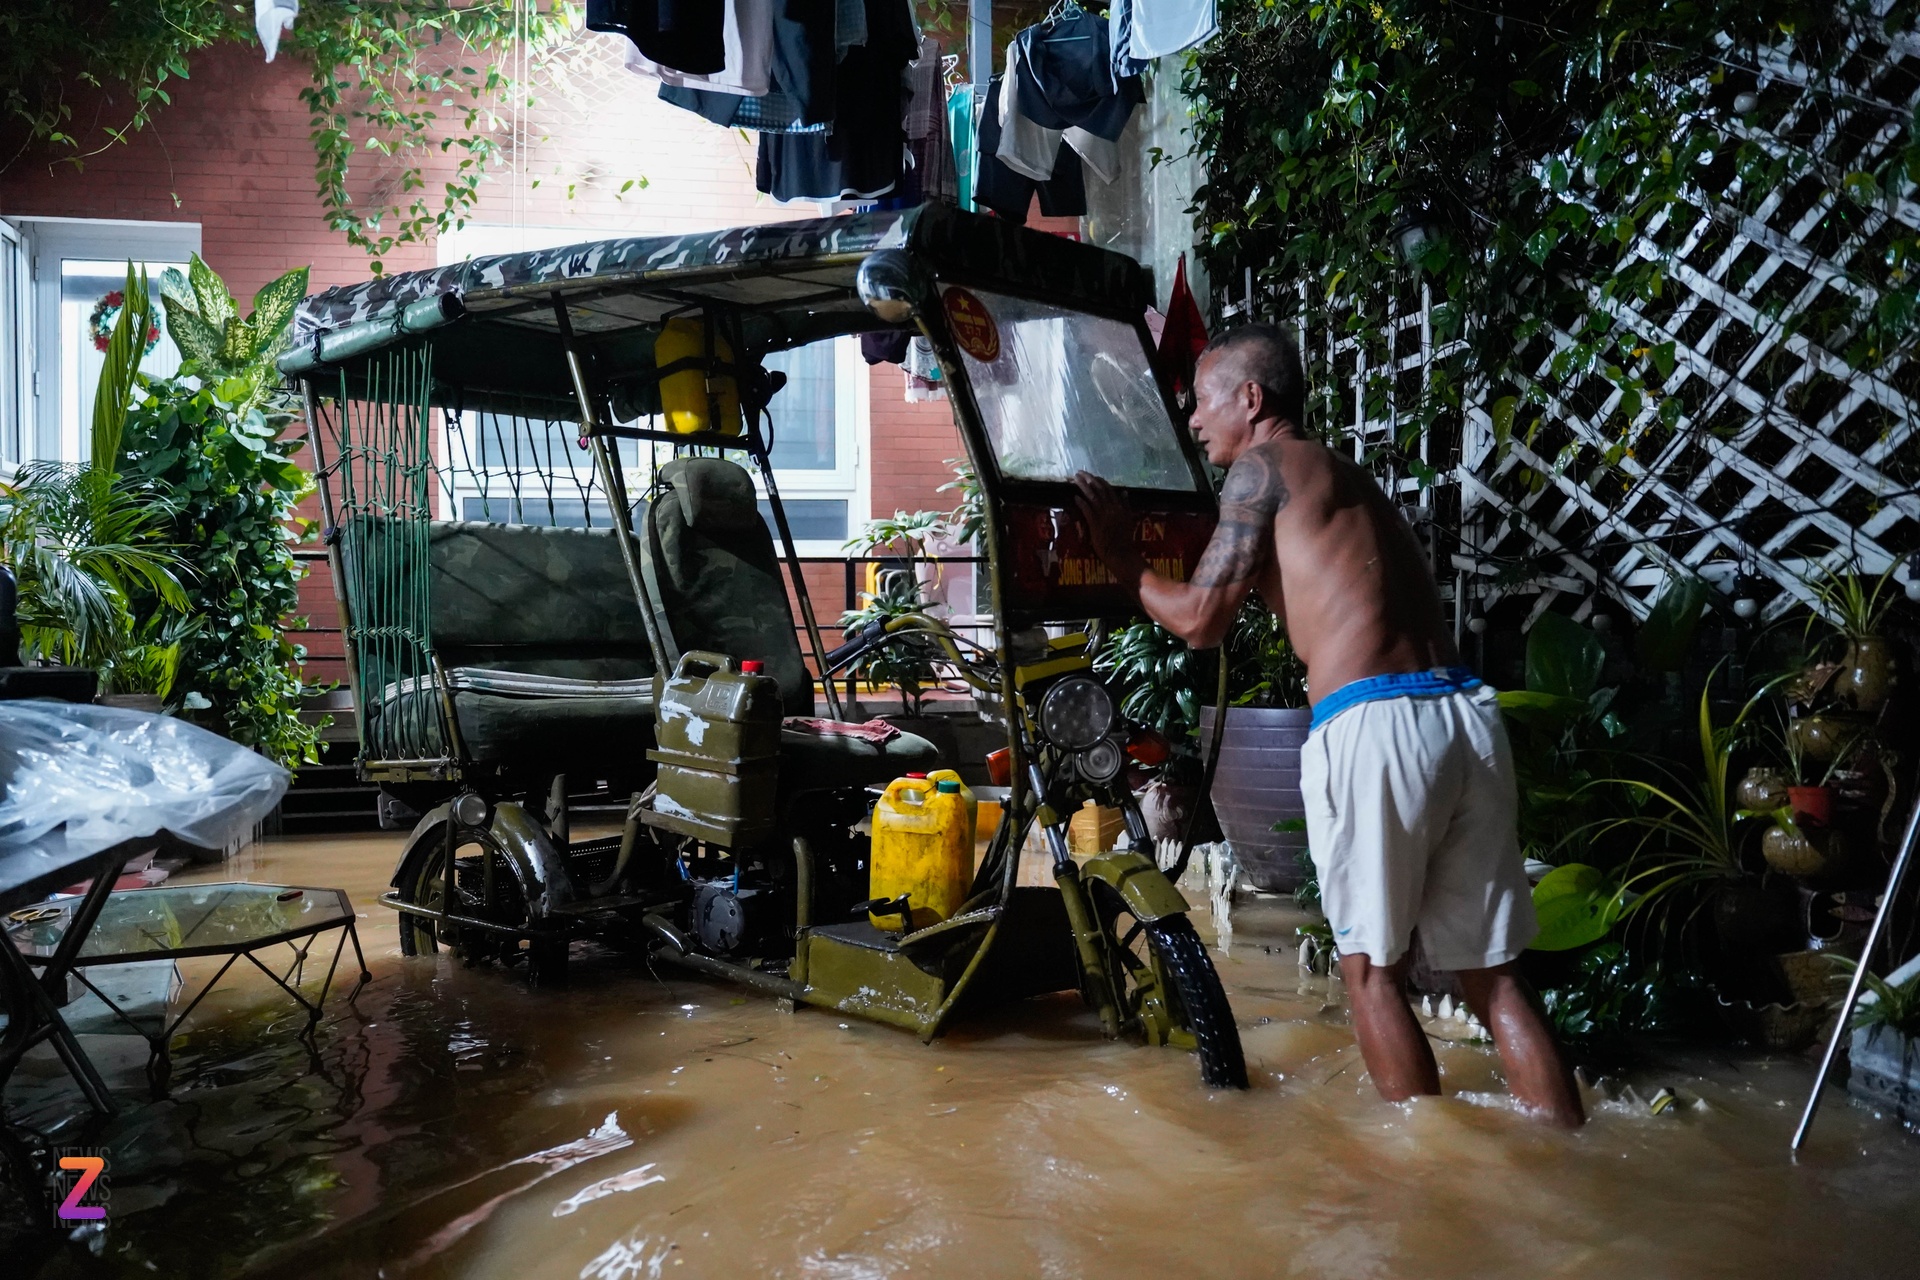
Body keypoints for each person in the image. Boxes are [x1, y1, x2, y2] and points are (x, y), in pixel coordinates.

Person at [1071, 323, 1585, 1127]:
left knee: (1369, 974)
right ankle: (1565, 1156)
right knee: (1493, 976)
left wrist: (1121, 560)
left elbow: (1203, 619)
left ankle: (1420, 1185)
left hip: (1376, 725)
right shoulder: (1345, 475)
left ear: (1251, 399)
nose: (1194, 417)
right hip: (1462, 716)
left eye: (1204, 400)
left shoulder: (1260, 469)